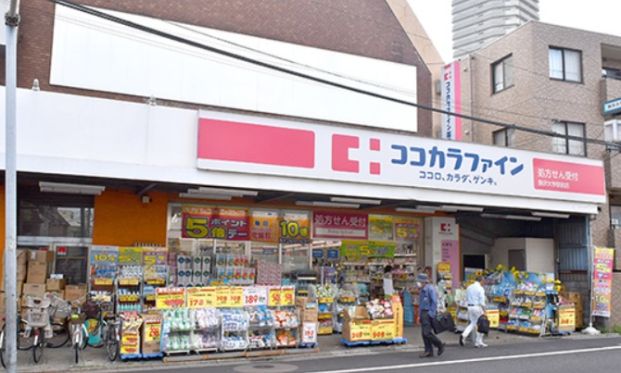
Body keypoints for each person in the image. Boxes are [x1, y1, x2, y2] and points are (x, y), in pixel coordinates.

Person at [417, 273, 445, 358]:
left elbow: (434, 302)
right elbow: (421, 304)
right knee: (424, 333)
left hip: (428, 312)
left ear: (423, 281)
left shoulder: (430, 289)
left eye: (419, 281)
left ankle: (439, 344)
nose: (418, 283)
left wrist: (431, 313)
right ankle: (428, 351)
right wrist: (419, 315)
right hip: (423, 312)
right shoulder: (422, 290)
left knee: (427, 332)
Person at [460, 275, 488, 348]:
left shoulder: (469, 287)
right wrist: (485, 311)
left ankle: (464, 335)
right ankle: (478, 342)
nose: (484, 282)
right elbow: (482, 301)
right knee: (482, 323)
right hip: (477, 307)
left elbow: (466, 297)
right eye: (483, 281)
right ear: (481, 281)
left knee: (473, 323)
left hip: (470, 307)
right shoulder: (480, 289)